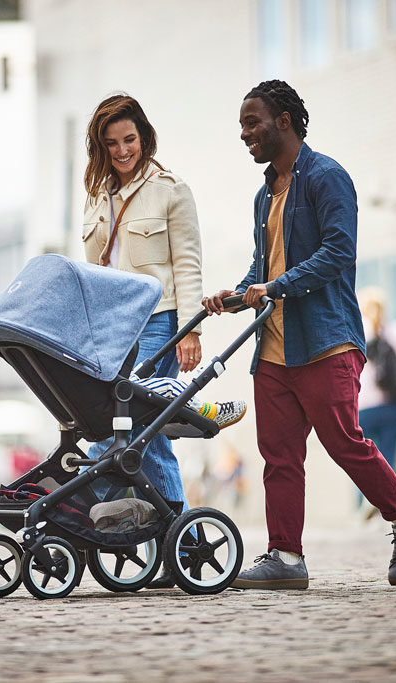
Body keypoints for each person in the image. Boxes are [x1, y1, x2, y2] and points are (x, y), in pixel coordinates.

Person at [202, 80, 396, 589]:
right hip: (275, 349)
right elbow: (264, 269)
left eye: (251, 123)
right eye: (242, 126)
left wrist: (275, 285)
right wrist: (235, 296)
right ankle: (285, 557)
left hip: (326, 340)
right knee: (278, 456)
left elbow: (338, 253)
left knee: (344, 442)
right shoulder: (265, 194)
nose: (244, 135)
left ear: (283, 120)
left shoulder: (327, 177)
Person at [82, 93, 245, 588]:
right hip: (109, 330)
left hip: (158, 322)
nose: (122, 150)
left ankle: (175, 535)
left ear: (144, 137)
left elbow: (187, 263)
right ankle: (175, 537)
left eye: (129, 139)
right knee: (123, 431)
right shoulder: (95, 194)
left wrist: (190, 329)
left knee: (144, 429)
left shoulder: (171, 190)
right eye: (112, 143)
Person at [357, 287, 396, 477]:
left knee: (361, 463)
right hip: (393, 405)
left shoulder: (357, 332)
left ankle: (365, 503)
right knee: (387, 461)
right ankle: (385, 504)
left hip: (363, 408)